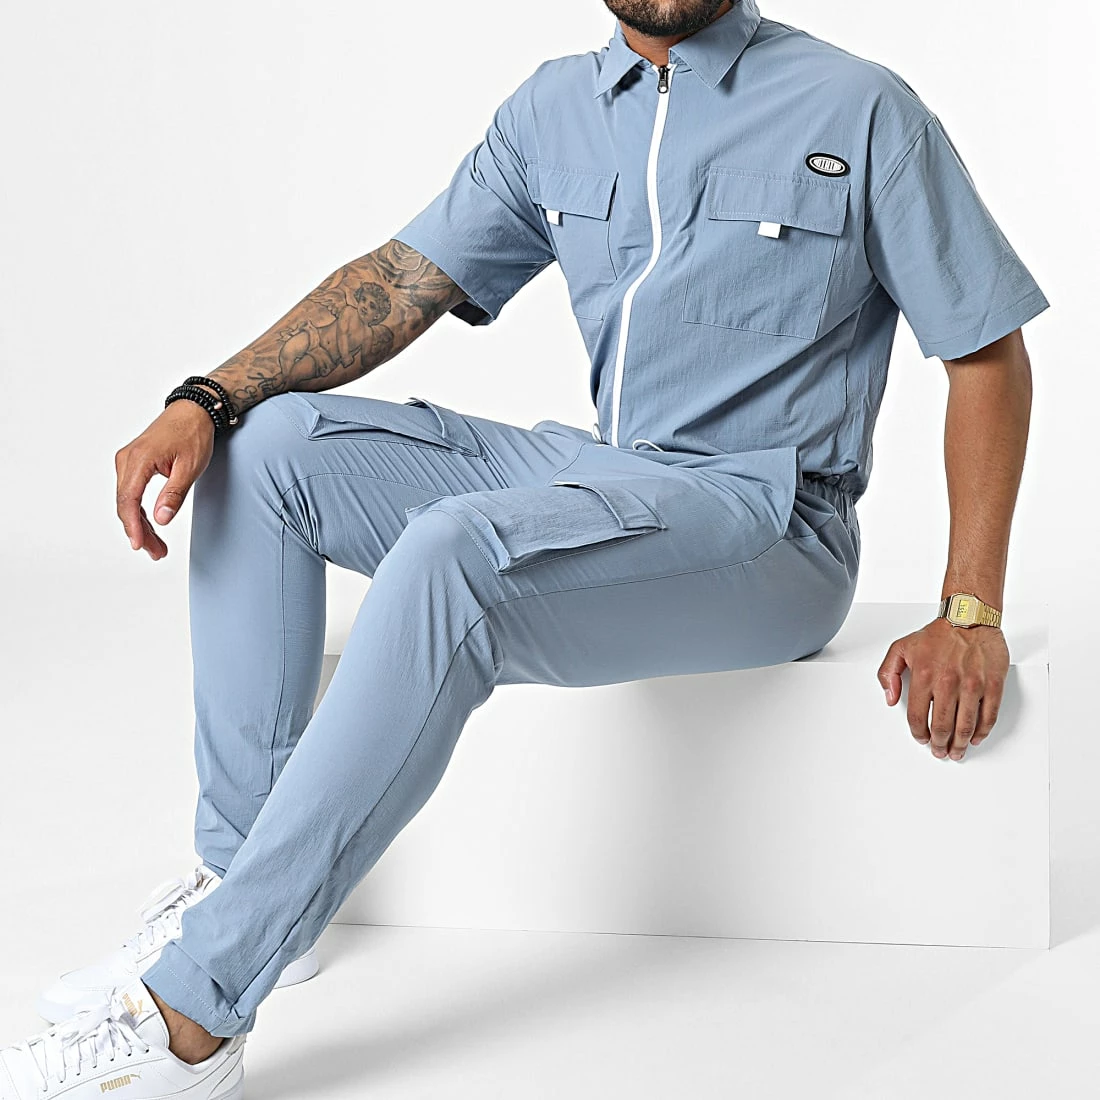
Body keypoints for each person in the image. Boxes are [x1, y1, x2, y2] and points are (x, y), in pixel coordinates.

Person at [0, 0, 1047, 1095]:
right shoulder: (553, 109)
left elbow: (984, 353)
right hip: (606, 469)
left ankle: (193, 1015)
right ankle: (244, 887)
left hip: (769, 519)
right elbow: (400, 282)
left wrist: (969, 607)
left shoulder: (858, 107)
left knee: (452, 555)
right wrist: (206, 397)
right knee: (263, 448)